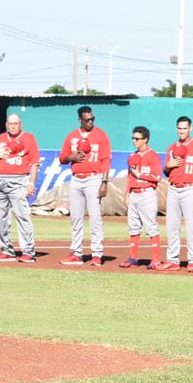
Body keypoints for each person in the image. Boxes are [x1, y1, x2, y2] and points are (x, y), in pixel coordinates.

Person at [58, 105, 111, 266]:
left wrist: (104, 182)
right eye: (87, 119)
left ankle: (96, 253)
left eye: (92, 119)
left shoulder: (101, 135)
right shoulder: (71, 136)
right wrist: (70, 157)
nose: (90, 122)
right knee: (75, 217)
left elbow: (106, 160)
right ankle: (76, 253)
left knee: (95, 217)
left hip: (93, 179)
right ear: (80, 119)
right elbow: (62, 158)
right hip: (76, 179)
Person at [157, 116, 193, 272]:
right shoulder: (172, 147)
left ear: (190, 128)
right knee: (172, 225)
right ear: (176, 129)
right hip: (173, 188)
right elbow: (166, 171)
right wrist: (168, 165)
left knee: (192, 225)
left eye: (185, 128)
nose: (182, 131)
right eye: (179, 128)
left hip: (190, 188)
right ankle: (173, 259)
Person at [0, 114, 40, 263]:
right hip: (0, 180)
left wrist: (31, 183)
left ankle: (28, 251)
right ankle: (7, 251)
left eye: (15, 123)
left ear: (20, 124)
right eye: (10, 123)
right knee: (0, 218)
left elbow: (35, 162)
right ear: (6, 124)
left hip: (19, 180)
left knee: (22, 216)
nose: (13, 126)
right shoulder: (1, 137)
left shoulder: (29, 138)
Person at [119, 126, 163, 269]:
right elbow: (130, 177)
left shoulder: (153, 156)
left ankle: (156, 259)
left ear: (145, 139)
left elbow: (157, 177)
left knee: (151, 227)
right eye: (133, 138)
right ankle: (133, 257)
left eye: (137, 138)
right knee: (133, 227)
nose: (134, 141)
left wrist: (140, 175)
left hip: (147, 193)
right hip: (134, 194)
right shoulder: (132, 156)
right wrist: (127, 193)